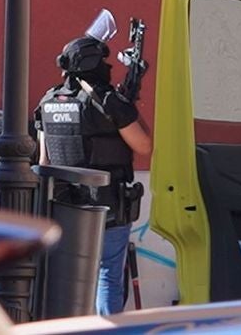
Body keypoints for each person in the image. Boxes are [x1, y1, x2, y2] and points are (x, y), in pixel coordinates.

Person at [34, 32, 153, 315]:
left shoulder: (48, 100)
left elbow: (44, 159)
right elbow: (145, 145)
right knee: (107, 277)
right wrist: (127, 106)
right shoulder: (107, 102)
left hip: (63, 207)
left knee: (65, 280)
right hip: (106, 206)